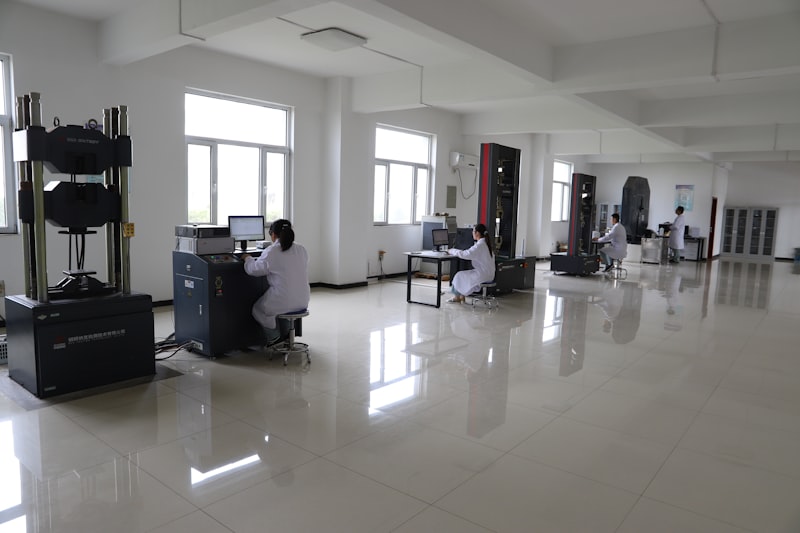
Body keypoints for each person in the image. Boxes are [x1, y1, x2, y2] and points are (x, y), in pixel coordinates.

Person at [241, 219, 310, 345]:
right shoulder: (301, 249)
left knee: (258, 309)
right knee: (279, 308)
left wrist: (248, 258)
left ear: (273, 234)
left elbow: (254, 270)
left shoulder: (272, 251)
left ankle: (274, 338)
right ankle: (287, 336)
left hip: (283, 300)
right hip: (303, 301)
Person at [446, 223, 496, 303]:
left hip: (483, 274)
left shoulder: (480, 245)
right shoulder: (486, 244)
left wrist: (451, 250)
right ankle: (461, 296)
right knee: (464, 275)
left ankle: (457, 297)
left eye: (473, 231)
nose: (472, 233)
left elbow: (466, 254)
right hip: (489, 274)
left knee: (459, 275)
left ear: (477, 233)